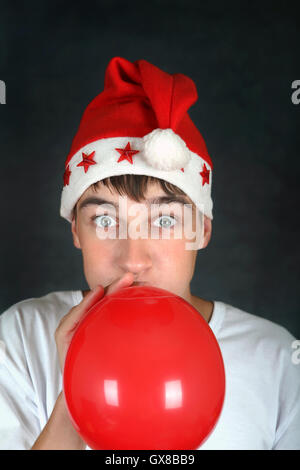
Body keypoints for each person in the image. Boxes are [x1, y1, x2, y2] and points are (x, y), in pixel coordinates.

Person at [0, 57, 299, 450]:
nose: (133, 260)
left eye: (165, 220)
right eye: (105, 221)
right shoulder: (20, 339)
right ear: (76, 230)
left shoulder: (279, 361)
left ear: (203, 230)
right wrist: (74, 394)